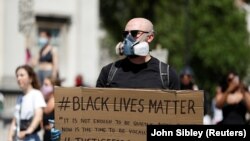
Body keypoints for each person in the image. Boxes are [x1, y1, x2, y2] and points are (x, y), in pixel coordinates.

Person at [96, 17, 180, 89]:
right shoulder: (108, 73)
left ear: (150, 37)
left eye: (134, 33)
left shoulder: (167, 75)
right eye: (125, 34)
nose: (128, 38)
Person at [7, 65, 46, 141]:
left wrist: (28, 131)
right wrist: (9, 137)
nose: (18, 78)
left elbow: (38, 116)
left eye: (22, 75)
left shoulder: (36, 94)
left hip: (31, 138)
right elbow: (15, 120)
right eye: (17, 76)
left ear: (30, 78)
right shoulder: (20, 97)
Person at [40, 77, 56, 141]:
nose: (44, 87)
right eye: (43, 84)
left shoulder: (56, 101)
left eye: (46, 85)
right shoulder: (45, 102)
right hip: (46, 136)